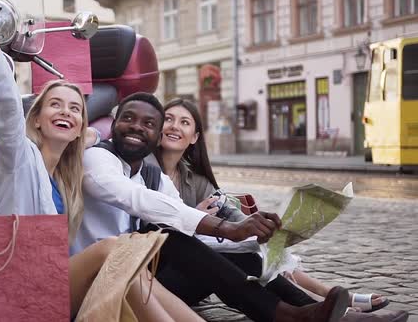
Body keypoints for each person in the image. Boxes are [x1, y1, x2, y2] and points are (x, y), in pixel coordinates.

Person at [0, 10, 206, 321]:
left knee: (133, 274)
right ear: (36, 119)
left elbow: (89, 135)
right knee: (114, 250)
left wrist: (89, 134)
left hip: (54, 287)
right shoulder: (14, 157)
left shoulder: (66, 177)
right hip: (12, 286)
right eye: (55, 105)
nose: (66, 112)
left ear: (79, 127)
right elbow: (5, 104)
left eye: (75, 109)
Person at [73, 92, 351, 322]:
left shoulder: (153, 175)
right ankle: (287, 315)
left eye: (148, 123)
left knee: (236, 255)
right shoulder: (97, 157)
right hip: (95, 284)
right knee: (164, 232)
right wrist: (229, 229)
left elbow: (193, 233)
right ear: (114, 123)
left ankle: (307, 312)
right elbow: (136, 199)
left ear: (157, 135)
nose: (136, 126)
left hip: (143, 282)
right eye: (128, 119)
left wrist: (258, 237)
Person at [154, 98, 406, 322]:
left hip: (196, 272)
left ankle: (332, 315)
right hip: (157, 281)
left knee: (249, 255)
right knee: (230, 256)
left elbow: (238, 218)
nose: (175, 126)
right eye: (168, 119)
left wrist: (267, 236)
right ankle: (323, 313)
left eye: (184, 122)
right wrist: (195, 218)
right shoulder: (145, 170)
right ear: (157, 127)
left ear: (195, 136)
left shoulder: (196, 180)